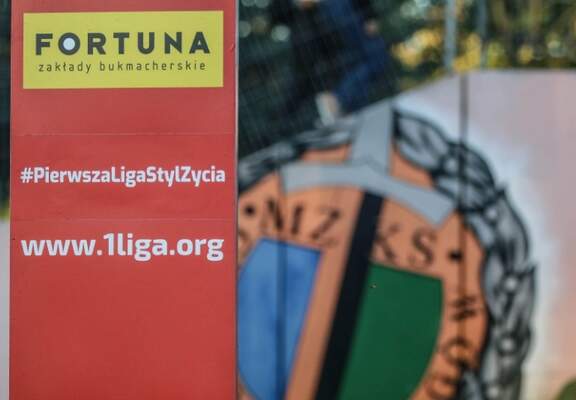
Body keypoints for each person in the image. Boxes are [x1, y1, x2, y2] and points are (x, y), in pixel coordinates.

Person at [270, 0, 389, 124]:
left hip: (339, 14)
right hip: (328, 17)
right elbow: (277, 13)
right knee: (368, 62)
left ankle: (337, 101)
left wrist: (370, 15)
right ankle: (338, 101)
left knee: (371, 62)